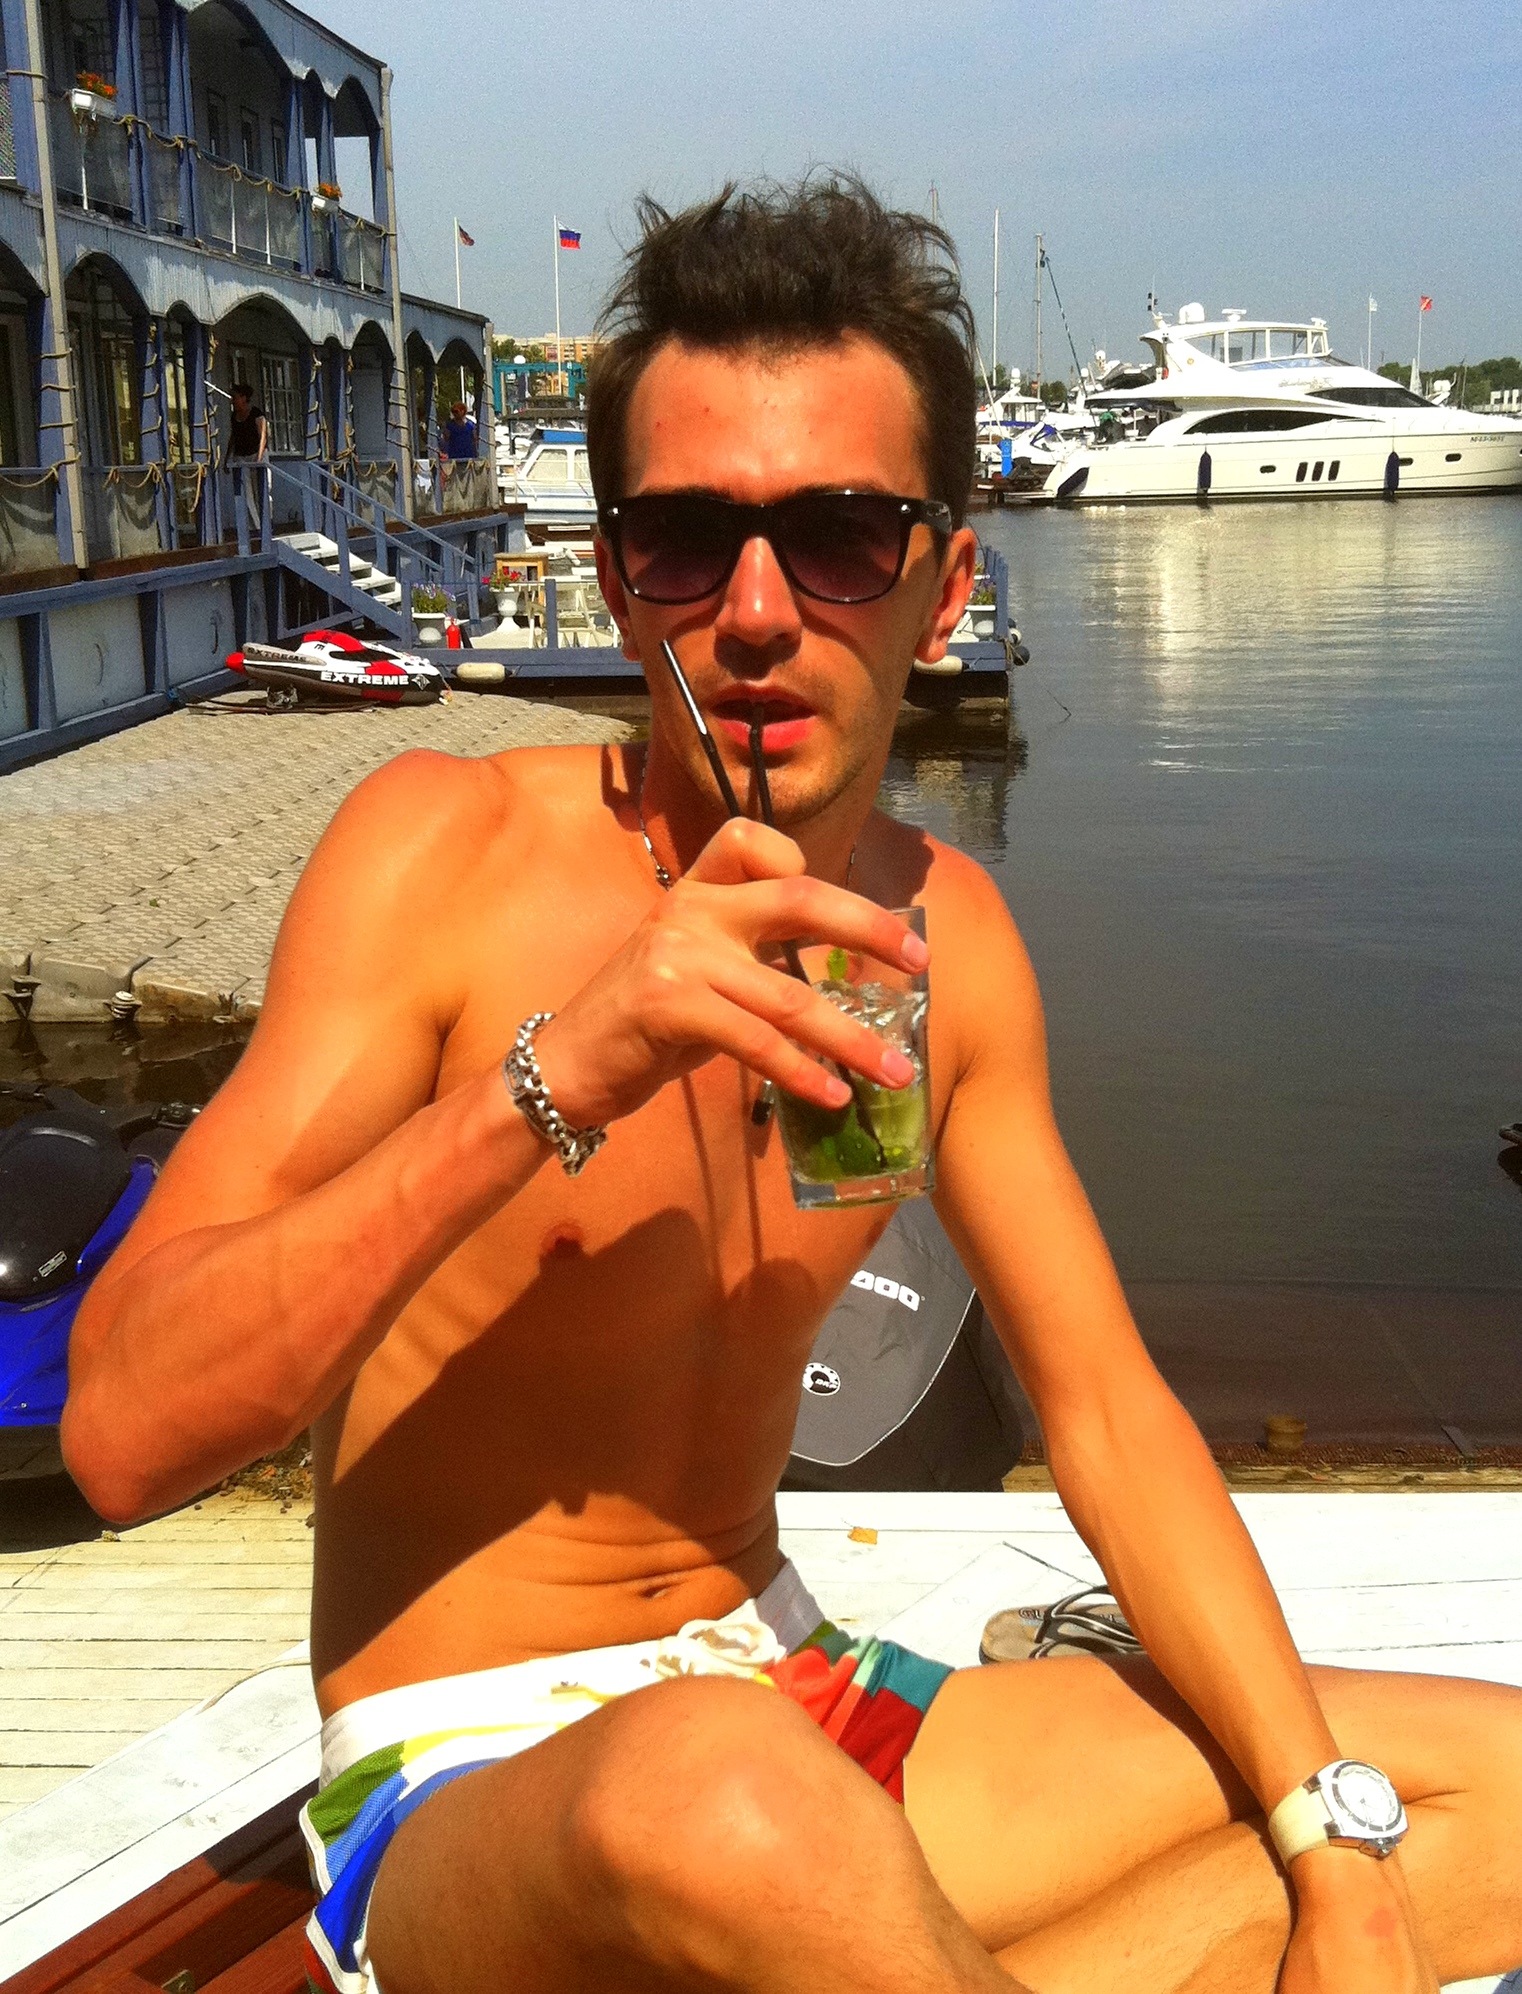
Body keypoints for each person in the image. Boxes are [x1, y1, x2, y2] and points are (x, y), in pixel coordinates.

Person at [64, 179, 1521, 1994]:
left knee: (1490, 1789)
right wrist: (563, 1065)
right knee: (727, 1792)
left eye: (838, 535)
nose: (756, 611)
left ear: (944, 583)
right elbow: (122, 1429)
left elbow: (1106, 1412)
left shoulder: (947, 934)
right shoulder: (440, 854)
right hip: (476, 1770)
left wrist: (1328, 1844)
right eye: (688, 538)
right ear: (617, 578)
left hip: (797, 1686)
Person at [225, 380, 268, 540]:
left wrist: (259, 458)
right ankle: (255, 528)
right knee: (246, 493)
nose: (233, 400)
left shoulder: (256, 413)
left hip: (256, 454)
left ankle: (266, 523)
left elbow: (263, 435)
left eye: (235, 397)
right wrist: (226, 458)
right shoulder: (234, 416)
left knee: (262, 490)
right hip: (241, 456)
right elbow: (233, 437)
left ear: (243, 398)